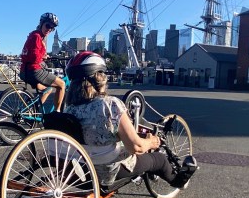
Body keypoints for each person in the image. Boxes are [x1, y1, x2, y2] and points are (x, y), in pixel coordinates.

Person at [64, 51, 198, 189]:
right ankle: (180, 181)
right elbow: (136, 147)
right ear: (100, 78)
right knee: (159, 159)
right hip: (107, 170)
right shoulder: (110, 105)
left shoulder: (69, 109)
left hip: (81, 170)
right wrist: (152, 142)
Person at [19, 12, 65, 112]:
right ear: (41, 23)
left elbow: (30, 54)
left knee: (47, 89)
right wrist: (44, 56)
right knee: (61, 84)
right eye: (48, 25)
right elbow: (35, 57)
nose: (49, 29)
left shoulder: (34, 35)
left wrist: (43, 56)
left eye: (52, 28)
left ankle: (32, 110)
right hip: (34, 71)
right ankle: (57, 113)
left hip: (24, 71)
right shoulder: (37, 37)